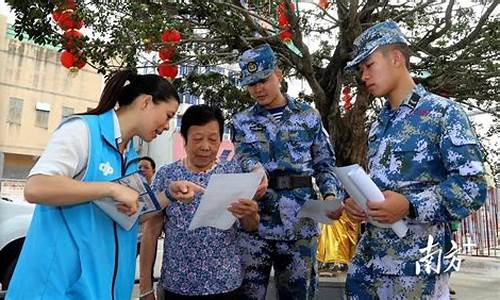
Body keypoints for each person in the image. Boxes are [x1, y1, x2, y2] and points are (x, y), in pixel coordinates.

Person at [343, 20, 487, 299]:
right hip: (370, 265)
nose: (364, 76)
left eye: (369, 65)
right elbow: (383, 186)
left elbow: (472, 187)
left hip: (416, 271)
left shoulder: (443, 113)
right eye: (360, 70)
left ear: (396, 58)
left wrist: (410, 205)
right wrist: (361, 204)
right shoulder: (379, 124)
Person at [6, 70, 180, 300]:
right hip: (59, 289)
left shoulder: (129, 155)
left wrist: (169, 194)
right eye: (168, 115)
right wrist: (110, 188)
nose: (167, 126)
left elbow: (130, 214)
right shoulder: (83, 130)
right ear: (147, 102)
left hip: (102, 291)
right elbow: (36, 187)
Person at [232, 43, 342, 300]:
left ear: (278, 74)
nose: (258, 89)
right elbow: (242, 157)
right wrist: (254, 168)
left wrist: (329, 196)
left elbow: (325, 164)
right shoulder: (241, 121)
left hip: (300, 222)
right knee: (248, 294)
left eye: (263, 80)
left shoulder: (308, 116)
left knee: (298, 294)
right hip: (255, 223)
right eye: (251, 84)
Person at [139, 104, 260, 300]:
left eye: (213, 139)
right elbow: (150, 232)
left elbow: (250, 226)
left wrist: (251, 215)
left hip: (226, 284)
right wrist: (145, 288)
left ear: (221, 140)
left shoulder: (234, 173)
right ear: (184, 139)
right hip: (177, 285)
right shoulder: (167, 175)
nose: (205, 146)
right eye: (197, 139)